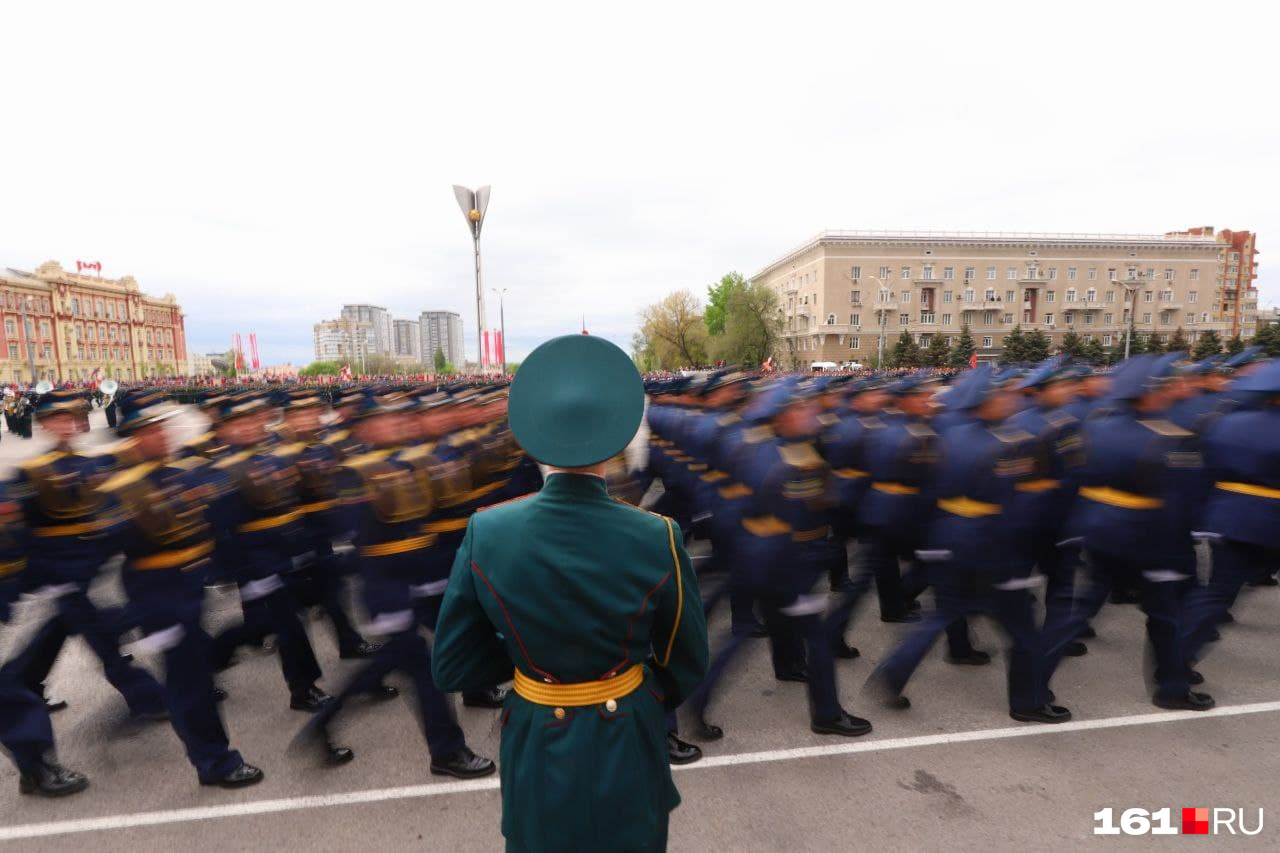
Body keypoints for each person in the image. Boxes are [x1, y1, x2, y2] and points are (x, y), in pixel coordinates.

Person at [433, 334, 709, 853]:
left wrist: (527, 658)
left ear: (534, 440)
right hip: (628, 731)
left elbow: (452, 667)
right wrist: (636, 694)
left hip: (538, 738)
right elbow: (686, 660)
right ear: (616, 441)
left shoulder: (487, 532)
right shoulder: (658, 536)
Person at [96, 390, 264, 787]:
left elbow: (214, 520)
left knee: (193, 677)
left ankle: (207, 752)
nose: (164, 435)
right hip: (160, 598)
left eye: (165, 427)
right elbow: (102, 550)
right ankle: (216, 762)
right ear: (135, 435)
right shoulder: (122, 489)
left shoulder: (179, 472)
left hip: (190, 590)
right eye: (154, 429)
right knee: (190, 685)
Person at [0, 477, 89, 797]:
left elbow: (27, 541)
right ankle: (37, 768)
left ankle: (32, 767)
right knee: (11, 693)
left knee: (21, 683)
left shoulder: (11, 489)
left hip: (23, 608)